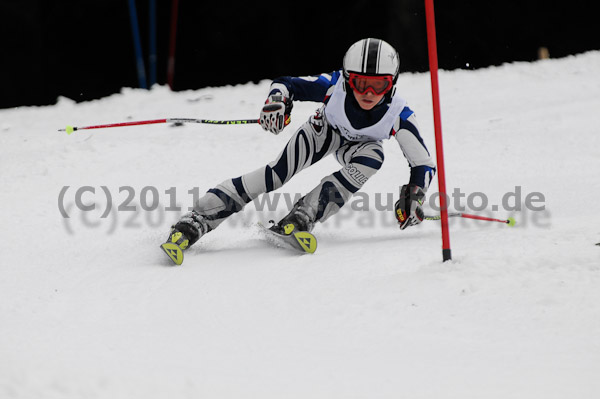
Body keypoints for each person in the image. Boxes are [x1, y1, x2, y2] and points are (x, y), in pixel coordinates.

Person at [164, 38, 436, 252]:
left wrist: (415, 194)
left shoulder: (399, 114)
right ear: (348, 78)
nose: (368, 93)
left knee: (374, 156)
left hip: (361, 146)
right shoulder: (334, 86)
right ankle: (200, 216)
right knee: (276, 175)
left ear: (392, 85)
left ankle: (305, 215)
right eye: (361, 83)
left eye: (379, 85)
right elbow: (286, 84)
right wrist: (276, 102)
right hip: (325, 131)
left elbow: (423, 163)